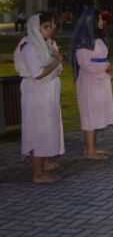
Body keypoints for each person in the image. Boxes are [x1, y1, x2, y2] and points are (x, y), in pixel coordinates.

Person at [13, 12, 65, 183]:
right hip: (36, 94)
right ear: (36, 28)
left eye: (51, 26)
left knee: (46, 129)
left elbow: (56, 68)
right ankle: (38, 174)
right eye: (45, 27)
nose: (50, 30)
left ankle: (42, 165)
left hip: (47, 93)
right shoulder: (29, 46)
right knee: (38, 131)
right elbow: (38, 73)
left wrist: (56, 62)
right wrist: (56, 61)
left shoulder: (46, 43)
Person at [69, 8, 113, 159]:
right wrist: (103, 68)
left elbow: (101, 58)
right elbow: (85, 63)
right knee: (90, 113)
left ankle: (92, 147)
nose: (102, 22)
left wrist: (108, 66)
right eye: (99, 19)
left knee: (96, 112)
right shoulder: (83, 43)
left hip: (100, 81)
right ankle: (89, 151)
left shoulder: (98, 39)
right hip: (90, 82)